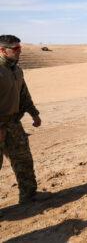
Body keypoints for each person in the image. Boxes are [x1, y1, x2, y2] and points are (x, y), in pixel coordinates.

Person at [0, 35, 46, 204]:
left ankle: (29, 195)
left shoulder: (16, 69)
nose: (20, 51)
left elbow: (23, 94)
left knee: (23, 160)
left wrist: (34, 113)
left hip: (13, 123)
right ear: (2, 50)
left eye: (20, 48)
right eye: (16, 49)